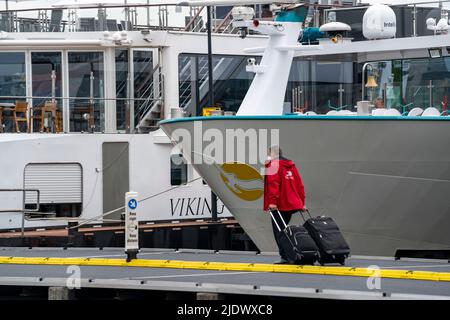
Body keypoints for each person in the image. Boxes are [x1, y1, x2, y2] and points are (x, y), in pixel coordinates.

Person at [264, 145, 306, 264]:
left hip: (279, 204)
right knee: (285, 229)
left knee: (279, 231)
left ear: (272, 153)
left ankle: (286, 256)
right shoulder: (290, 166)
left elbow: (273, 185)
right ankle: (293, 253)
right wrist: (302, 203)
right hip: (291, 204)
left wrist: (272, 202)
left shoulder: (273, 165)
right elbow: (299, 185)